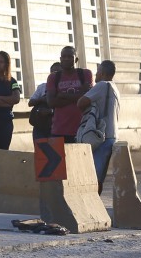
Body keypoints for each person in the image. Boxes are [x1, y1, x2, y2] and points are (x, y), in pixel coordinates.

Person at [78, 60, 120, 192]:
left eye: (97, 72)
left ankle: (93, 205)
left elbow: (80, 103)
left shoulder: (102, 85)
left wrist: (85, 91)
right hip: (111, 135)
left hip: (101, 136)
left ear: (101, 73)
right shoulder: (114, 87)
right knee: (99, 177)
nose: (95, 75)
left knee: (93, 178)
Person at [45, 46, 92, 143]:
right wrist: (79, 95)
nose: (66, 59)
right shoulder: (53, 77)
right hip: (59, 130)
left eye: (70, 56)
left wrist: (62, 95)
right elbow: (51, 102)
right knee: (59, 158)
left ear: (76, 59)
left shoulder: (85, 74)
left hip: (82, 129)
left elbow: (87, 98)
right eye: (64, 56)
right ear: (60, 59)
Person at [27, 62, 63, 139]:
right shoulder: (42, 87)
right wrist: (42, 99)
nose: (55, 75)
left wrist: (50, 111)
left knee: (55, 149)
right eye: (53, 72)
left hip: (57, 126)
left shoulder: (65, 88)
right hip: (40, 125)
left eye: (58, 72)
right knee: (40, 149)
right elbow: (30, 102)